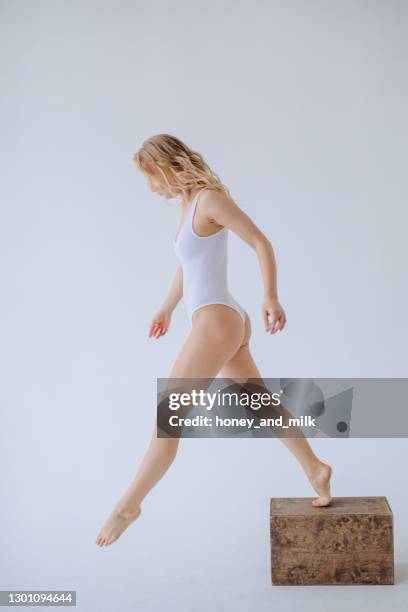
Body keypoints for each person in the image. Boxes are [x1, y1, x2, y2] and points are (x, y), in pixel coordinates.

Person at [96, 134, 332, 547]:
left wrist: (271, 296)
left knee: (168, 419)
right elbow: (187, 267)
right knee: (261, 405)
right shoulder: (188, 206)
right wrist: (166, 307)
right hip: (220, 321)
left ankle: (128, 505)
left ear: (167, 165)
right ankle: (315, 468)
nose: (152, 188)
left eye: (152, 177)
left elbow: (261, 241)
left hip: (218, 321)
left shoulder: (208, 199)